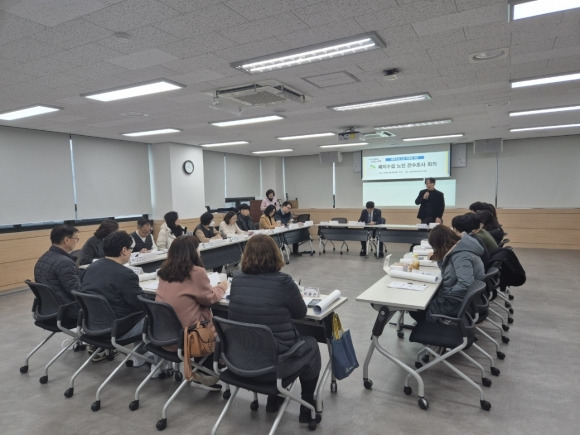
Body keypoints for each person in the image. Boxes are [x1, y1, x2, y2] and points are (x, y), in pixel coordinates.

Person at [229, 235, 321, 423]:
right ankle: (306, 405)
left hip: (241, 360)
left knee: (267, 337)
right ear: (275, 254)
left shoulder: (237, 279)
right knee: (311, 344)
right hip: (274, 365)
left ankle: (275, 398)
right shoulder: (284, 281)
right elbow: (301, 313)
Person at [156, 235, 228, 386]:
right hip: (192, 340)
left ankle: (205, 371)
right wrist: (222, 286)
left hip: (164, 336)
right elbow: (210, 298)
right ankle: (211, 372)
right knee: (223, 325)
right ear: (192, 252)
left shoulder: (164, 271)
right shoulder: (196, 272)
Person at [80, 231, 145, 362]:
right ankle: (146, 359)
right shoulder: (125, 274)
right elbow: (140, 304)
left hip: (91, 325)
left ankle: (142, 358)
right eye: (131, 249)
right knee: (157, 315)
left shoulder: (91, 268)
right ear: (124, 250)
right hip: (117, 329)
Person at [410, 225, 485, 323]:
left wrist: (445, 296)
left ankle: (432, 329)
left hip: (459, 301)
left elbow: (466, 284)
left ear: (442, 244)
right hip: (461, 297)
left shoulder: (461, 256)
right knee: (424, 300)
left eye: (436, 247)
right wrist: (439, 256)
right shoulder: (458, 248)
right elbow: (448, 270)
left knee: (420, 306)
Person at [34, 224, 81, 304]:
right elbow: (76, 292)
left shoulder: (44, 257)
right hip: (67, 307)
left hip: (49, 306)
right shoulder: (65, 262)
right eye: (76, 238)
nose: (76, 241)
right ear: (66, 240)